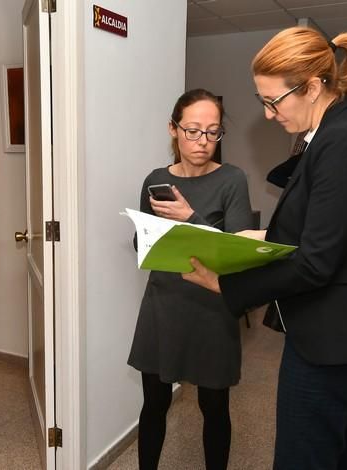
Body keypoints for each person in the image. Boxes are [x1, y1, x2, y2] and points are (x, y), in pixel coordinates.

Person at [182, 28, 347, 470]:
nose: (269, 114)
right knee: (338, 436)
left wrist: (226, 285)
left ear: (312, 88)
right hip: (342, 325)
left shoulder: (345, 141)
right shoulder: (331, 132)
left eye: (273, 101)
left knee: (302, 453)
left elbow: (315, 261)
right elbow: (323, 226)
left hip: (341, 336)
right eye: (262, 101)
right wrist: (258, 239)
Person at [128, 89, 254, 470]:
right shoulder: (155, 179)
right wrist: (146, 232)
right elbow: (140, 246)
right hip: (163, 303)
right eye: (193, 131)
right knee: (154, 403)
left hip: (212, 306)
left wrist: (190, 218)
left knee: (213, 407)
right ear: (173, 128)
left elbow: (237, 252)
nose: (203, 142)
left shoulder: (233, 179)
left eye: (213, 132)